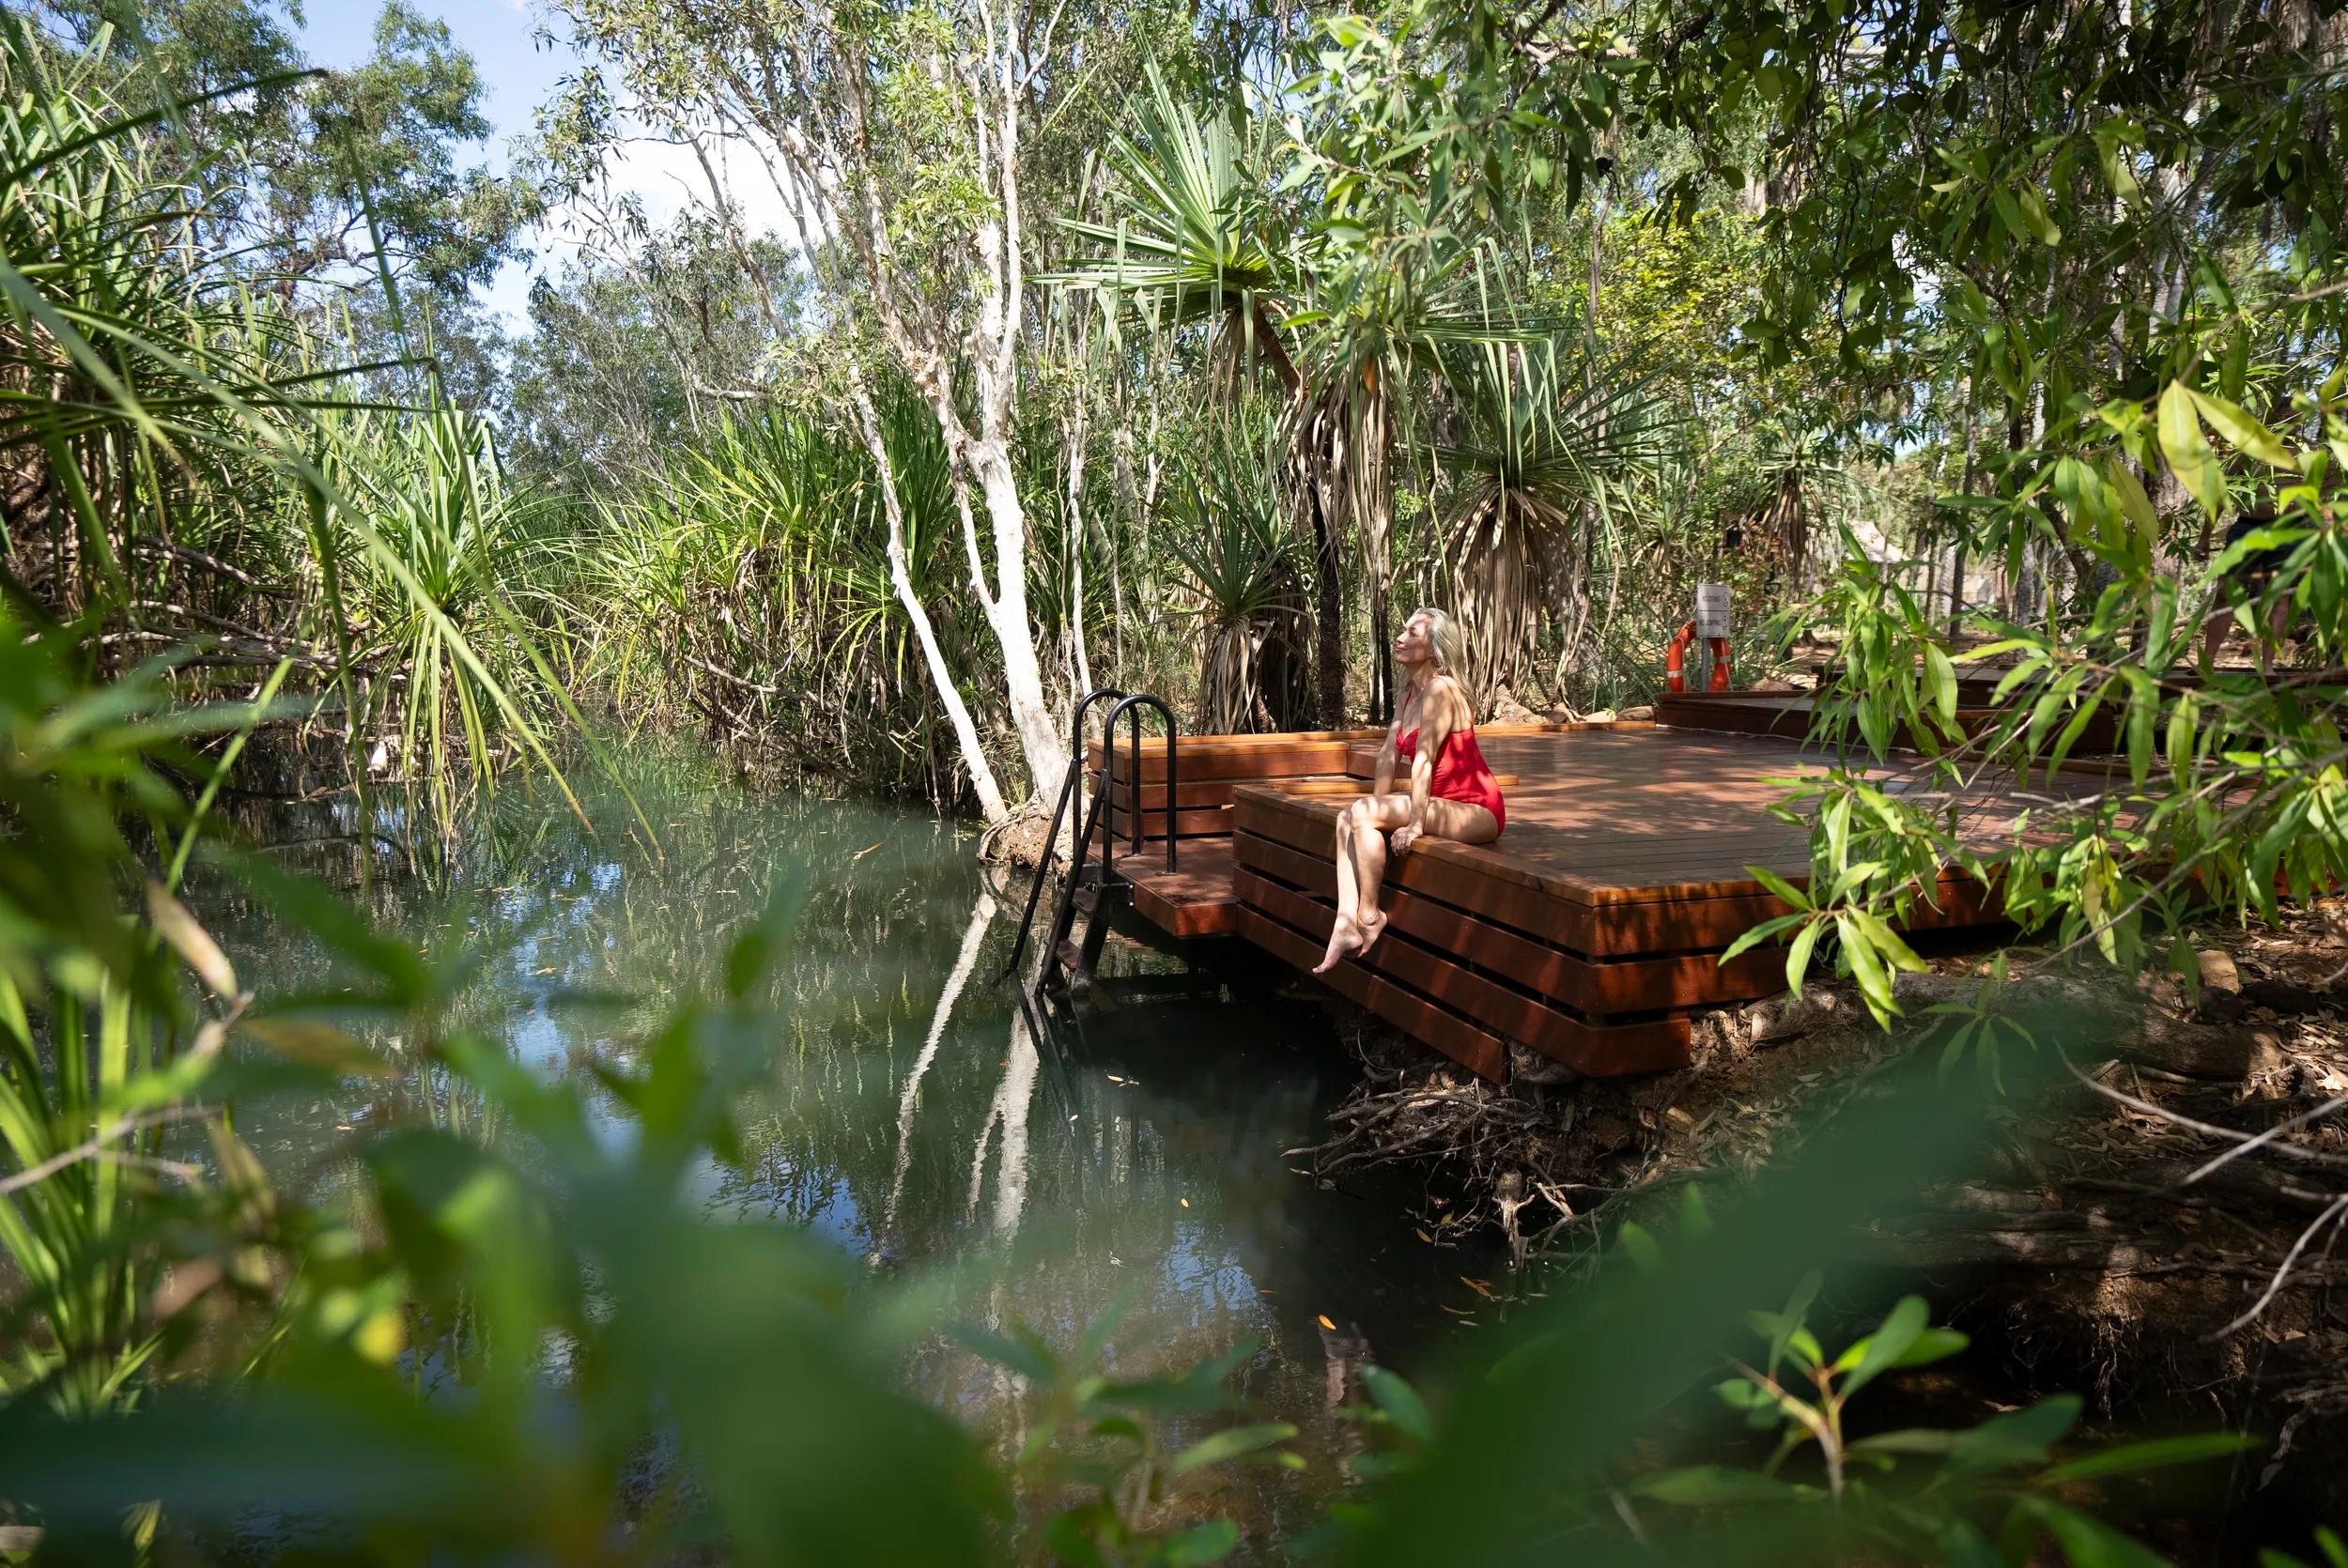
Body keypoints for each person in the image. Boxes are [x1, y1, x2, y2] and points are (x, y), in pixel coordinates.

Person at [1313, 607, 1506, 975]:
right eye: (1403, 630)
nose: (1400, 637)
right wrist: (1373, 805)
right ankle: (1344, 923)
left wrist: (1413, 824)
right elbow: (1388, 755)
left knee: (1362, 813)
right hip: (1441, 804)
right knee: (1346, 817)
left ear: (1434, 649)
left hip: (1476, 808)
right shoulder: (1408, 693)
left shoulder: (1440, 690)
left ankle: (1369, 916)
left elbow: (1424, 760)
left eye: (1413, 633)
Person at [2200, 503, 2297, 676]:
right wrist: (2204, 537)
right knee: (2225, 593)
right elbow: (2219, 496)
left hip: (2286, 529)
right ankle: (2207, 662)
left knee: (2278, 596)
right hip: (2247, 525)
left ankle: (2267, 666)